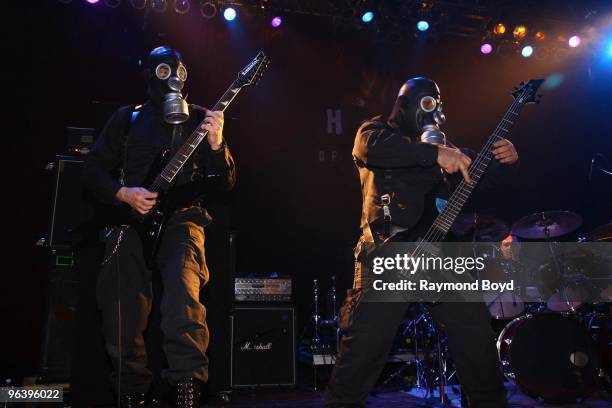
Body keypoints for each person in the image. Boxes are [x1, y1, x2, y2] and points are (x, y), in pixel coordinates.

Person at [325, 77, 518, 407]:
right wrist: (434, 154)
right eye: (426, 102)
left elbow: (478, 182)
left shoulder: (449, 149)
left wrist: (503, 162)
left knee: (476, 339)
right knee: (364, 352)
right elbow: (370, 149)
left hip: (440, 256)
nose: (433, 110)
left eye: (437, 104)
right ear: (405, 105)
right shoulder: (376, 132)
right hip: (389, 251)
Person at [83, 46, 235, 408]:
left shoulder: (202, 120)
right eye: (163, 70)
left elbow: (226, 183)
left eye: (179, 70)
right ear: (150, 74)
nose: (173, 77)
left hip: (184, 217)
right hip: (130, 219)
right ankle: (131, 391)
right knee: (121, 309)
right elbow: (91, 171)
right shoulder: (127, 118)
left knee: (184, 301)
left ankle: (187, 389)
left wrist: (217, 144)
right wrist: (122, 193)